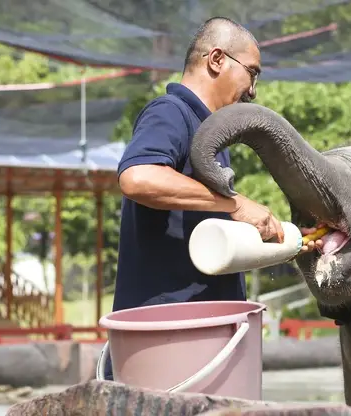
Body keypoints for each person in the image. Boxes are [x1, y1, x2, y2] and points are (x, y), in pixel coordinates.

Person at [113, 17, 284, 318]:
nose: (253, 90)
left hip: (203, 329)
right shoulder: (171, 112)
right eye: (251, 73)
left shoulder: (210, 134)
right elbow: (137, 178)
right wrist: (234, 203)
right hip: (167, 333)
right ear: (217, 59)